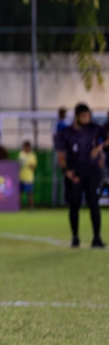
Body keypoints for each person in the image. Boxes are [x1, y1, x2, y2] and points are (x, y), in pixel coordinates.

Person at [55, 103, 105, 248]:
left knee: (94, 204)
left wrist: (99, 149)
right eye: (84, 116)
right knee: (74, 204)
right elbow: (61, 154)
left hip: (93, 173)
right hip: (75, 174)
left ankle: (97, 238)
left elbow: (105, 138)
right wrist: (67, 171)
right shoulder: (66, 133)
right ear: (77, 117)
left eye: (88, 115)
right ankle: (75, 237)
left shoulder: (95, 129)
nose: (87, 118)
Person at [18, 140, 37, 210]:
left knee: (30, 193)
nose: (26, 148)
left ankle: (31, 207)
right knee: (20, 193)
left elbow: (33, 166)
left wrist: (29, 165)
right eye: (25, 147)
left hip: (29, 178)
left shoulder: (32, 155)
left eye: (27, 147)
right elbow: (19, 164)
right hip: (21, 177)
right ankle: (18, 207)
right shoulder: (21, 154)